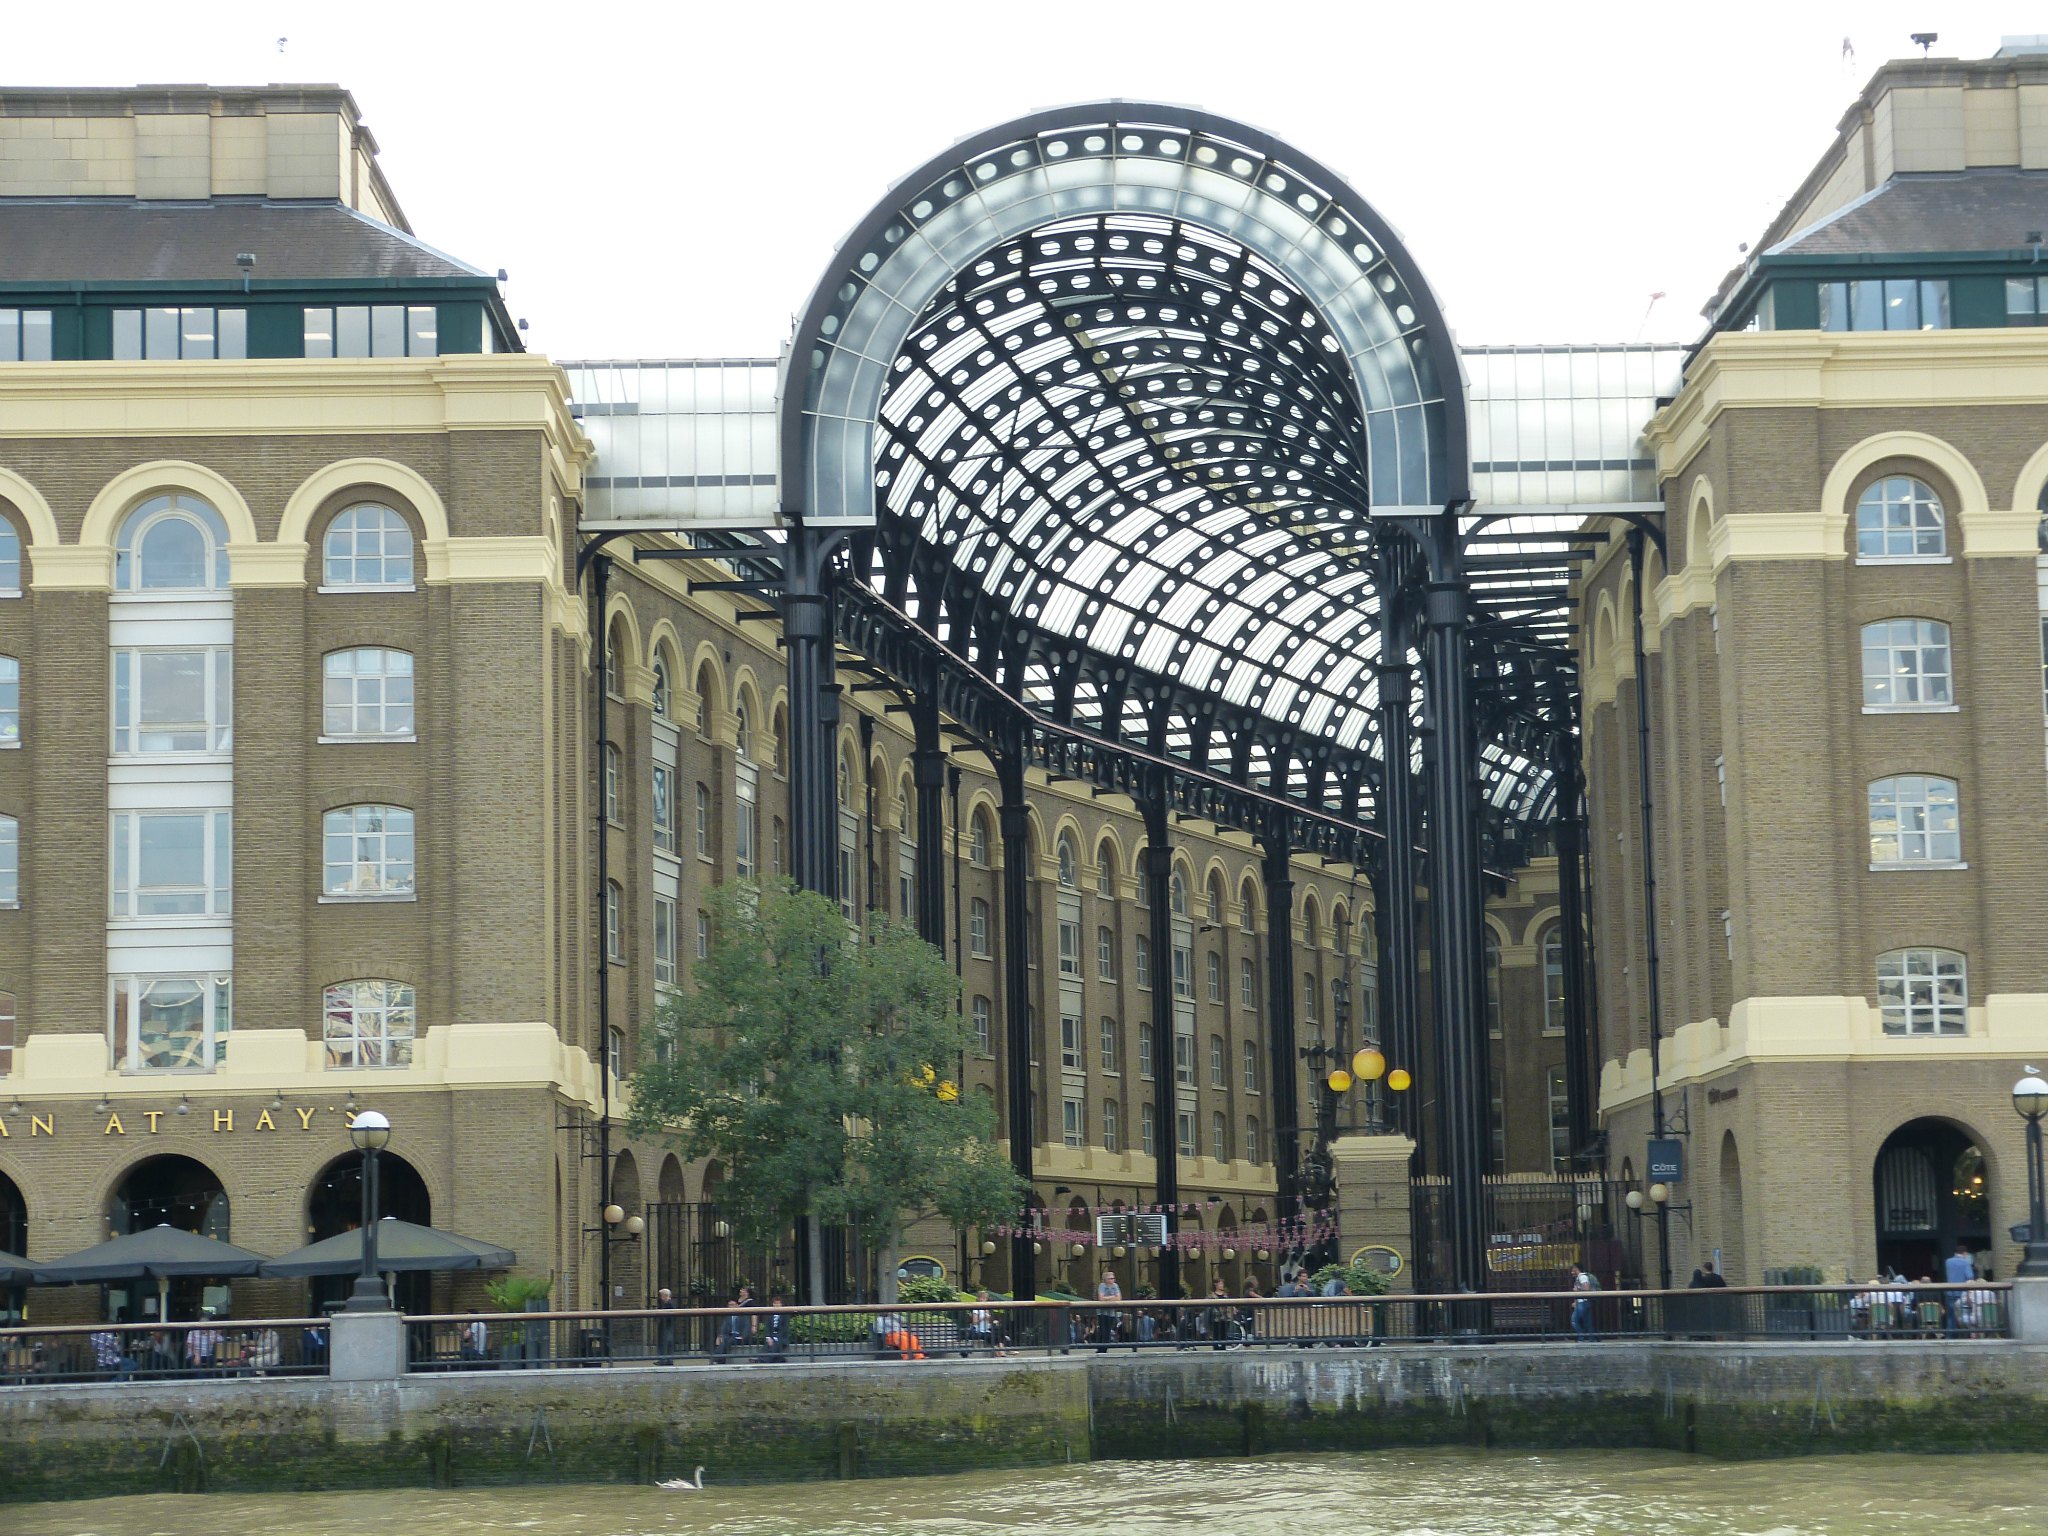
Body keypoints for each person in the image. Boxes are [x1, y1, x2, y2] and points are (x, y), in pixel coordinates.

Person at [1943, 1241, 1976, 1334]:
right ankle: (1963, 1335)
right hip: (1962, 1294)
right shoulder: (1966, 1263)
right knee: (1962, 1316)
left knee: (1951, 1316)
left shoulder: (1948, 1261)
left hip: (1950, 1293)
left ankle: (1950, 1337)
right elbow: (1969, 1276)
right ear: (1964, 1253)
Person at [1569, 1263, 1599, 1340]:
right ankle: (1592, 1339)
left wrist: (1577, 1289)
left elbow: (1586, 1289)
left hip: (1582, 1302)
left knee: (1574, 1320)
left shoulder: (1582, 1277)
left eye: (1573, 1269)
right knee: (1587, 1321)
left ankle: (1581, 1337)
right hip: (1584, 1302)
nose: (1572, 1271)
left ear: (1576, 1268)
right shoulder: (1579, 1277)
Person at [653, 1286, 679, 1364]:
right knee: (666, 1342)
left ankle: (664, 1360)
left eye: (661, 1295)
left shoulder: (670, 1304)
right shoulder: (667, 1303)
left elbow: (671, 1316)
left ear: (665, 1295)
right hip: (666, 1325)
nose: (660, 1298)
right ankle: (667, 1359)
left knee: (665, 1342)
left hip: (667, 1325)